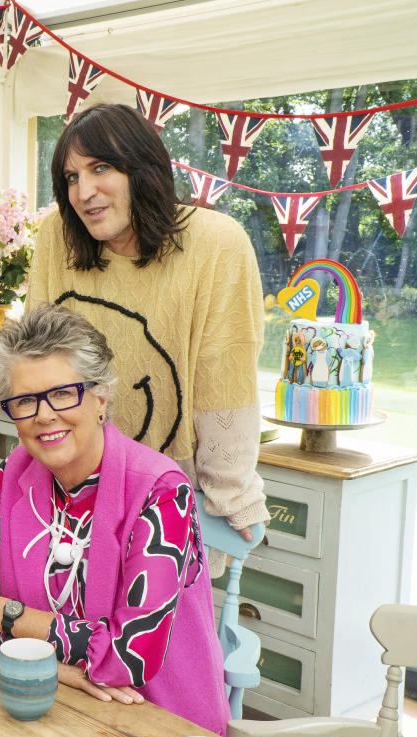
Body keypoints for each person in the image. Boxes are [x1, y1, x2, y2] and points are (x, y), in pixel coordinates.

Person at [0, 305, 228, 735]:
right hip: (44, 703)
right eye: (24, 401)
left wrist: (5, 614)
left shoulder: (163, 493)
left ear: (100, 396)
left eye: (62, 393)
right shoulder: (11, 475)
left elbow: (130, 656)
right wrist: (62, 669)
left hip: (155, 723)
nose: (43, 415)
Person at [27, 103, 269, 537]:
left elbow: (224, 376)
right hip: (67, 492)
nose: (83, 192)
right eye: (72, 177)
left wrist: (232, 494)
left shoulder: (217, 244)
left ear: (143, 167)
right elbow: (36, 365)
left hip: (169, 498)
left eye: (100, 167)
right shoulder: (55, 237)